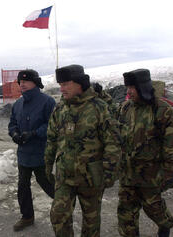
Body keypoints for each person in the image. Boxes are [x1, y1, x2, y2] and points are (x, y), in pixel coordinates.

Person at [44, 64, 121, 237]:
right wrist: (48, 164)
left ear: (79, 83)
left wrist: (110, 173)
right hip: (65, 176)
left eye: (65, 84)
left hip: (91, 178)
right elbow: (51, 138)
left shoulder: (99, 108)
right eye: (60, 84)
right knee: (58, 216)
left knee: (91, 222)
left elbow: (113, 143)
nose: (61, 88)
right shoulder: (60, 108)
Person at [117, 69, 173, 237]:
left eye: (132, 87)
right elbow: (117, 137)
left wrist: (168, 172)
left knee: (155, 210)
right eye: (128, 87)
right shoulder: (125, 108)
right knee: (126, 216)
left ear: (143, 87)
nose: (128, 91)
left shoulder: (162, 109)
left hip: (151, 176)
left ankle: (165, 228)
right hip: (128, 176)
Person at [8, 69, 56, 231]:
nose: (22, 84)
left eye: (26, 81)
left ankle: (64, 206)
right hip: (23, 154)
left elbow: (52, 125)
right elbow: (12, 123)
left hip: (41, 152)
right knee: (22, 186)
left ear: (35, 83)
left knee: (46, 183)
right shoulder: (18, 104)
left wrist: (34, 133)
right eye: (20, 82)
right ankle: (27, 216)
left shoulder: (47, 101)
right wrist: (14, 133)